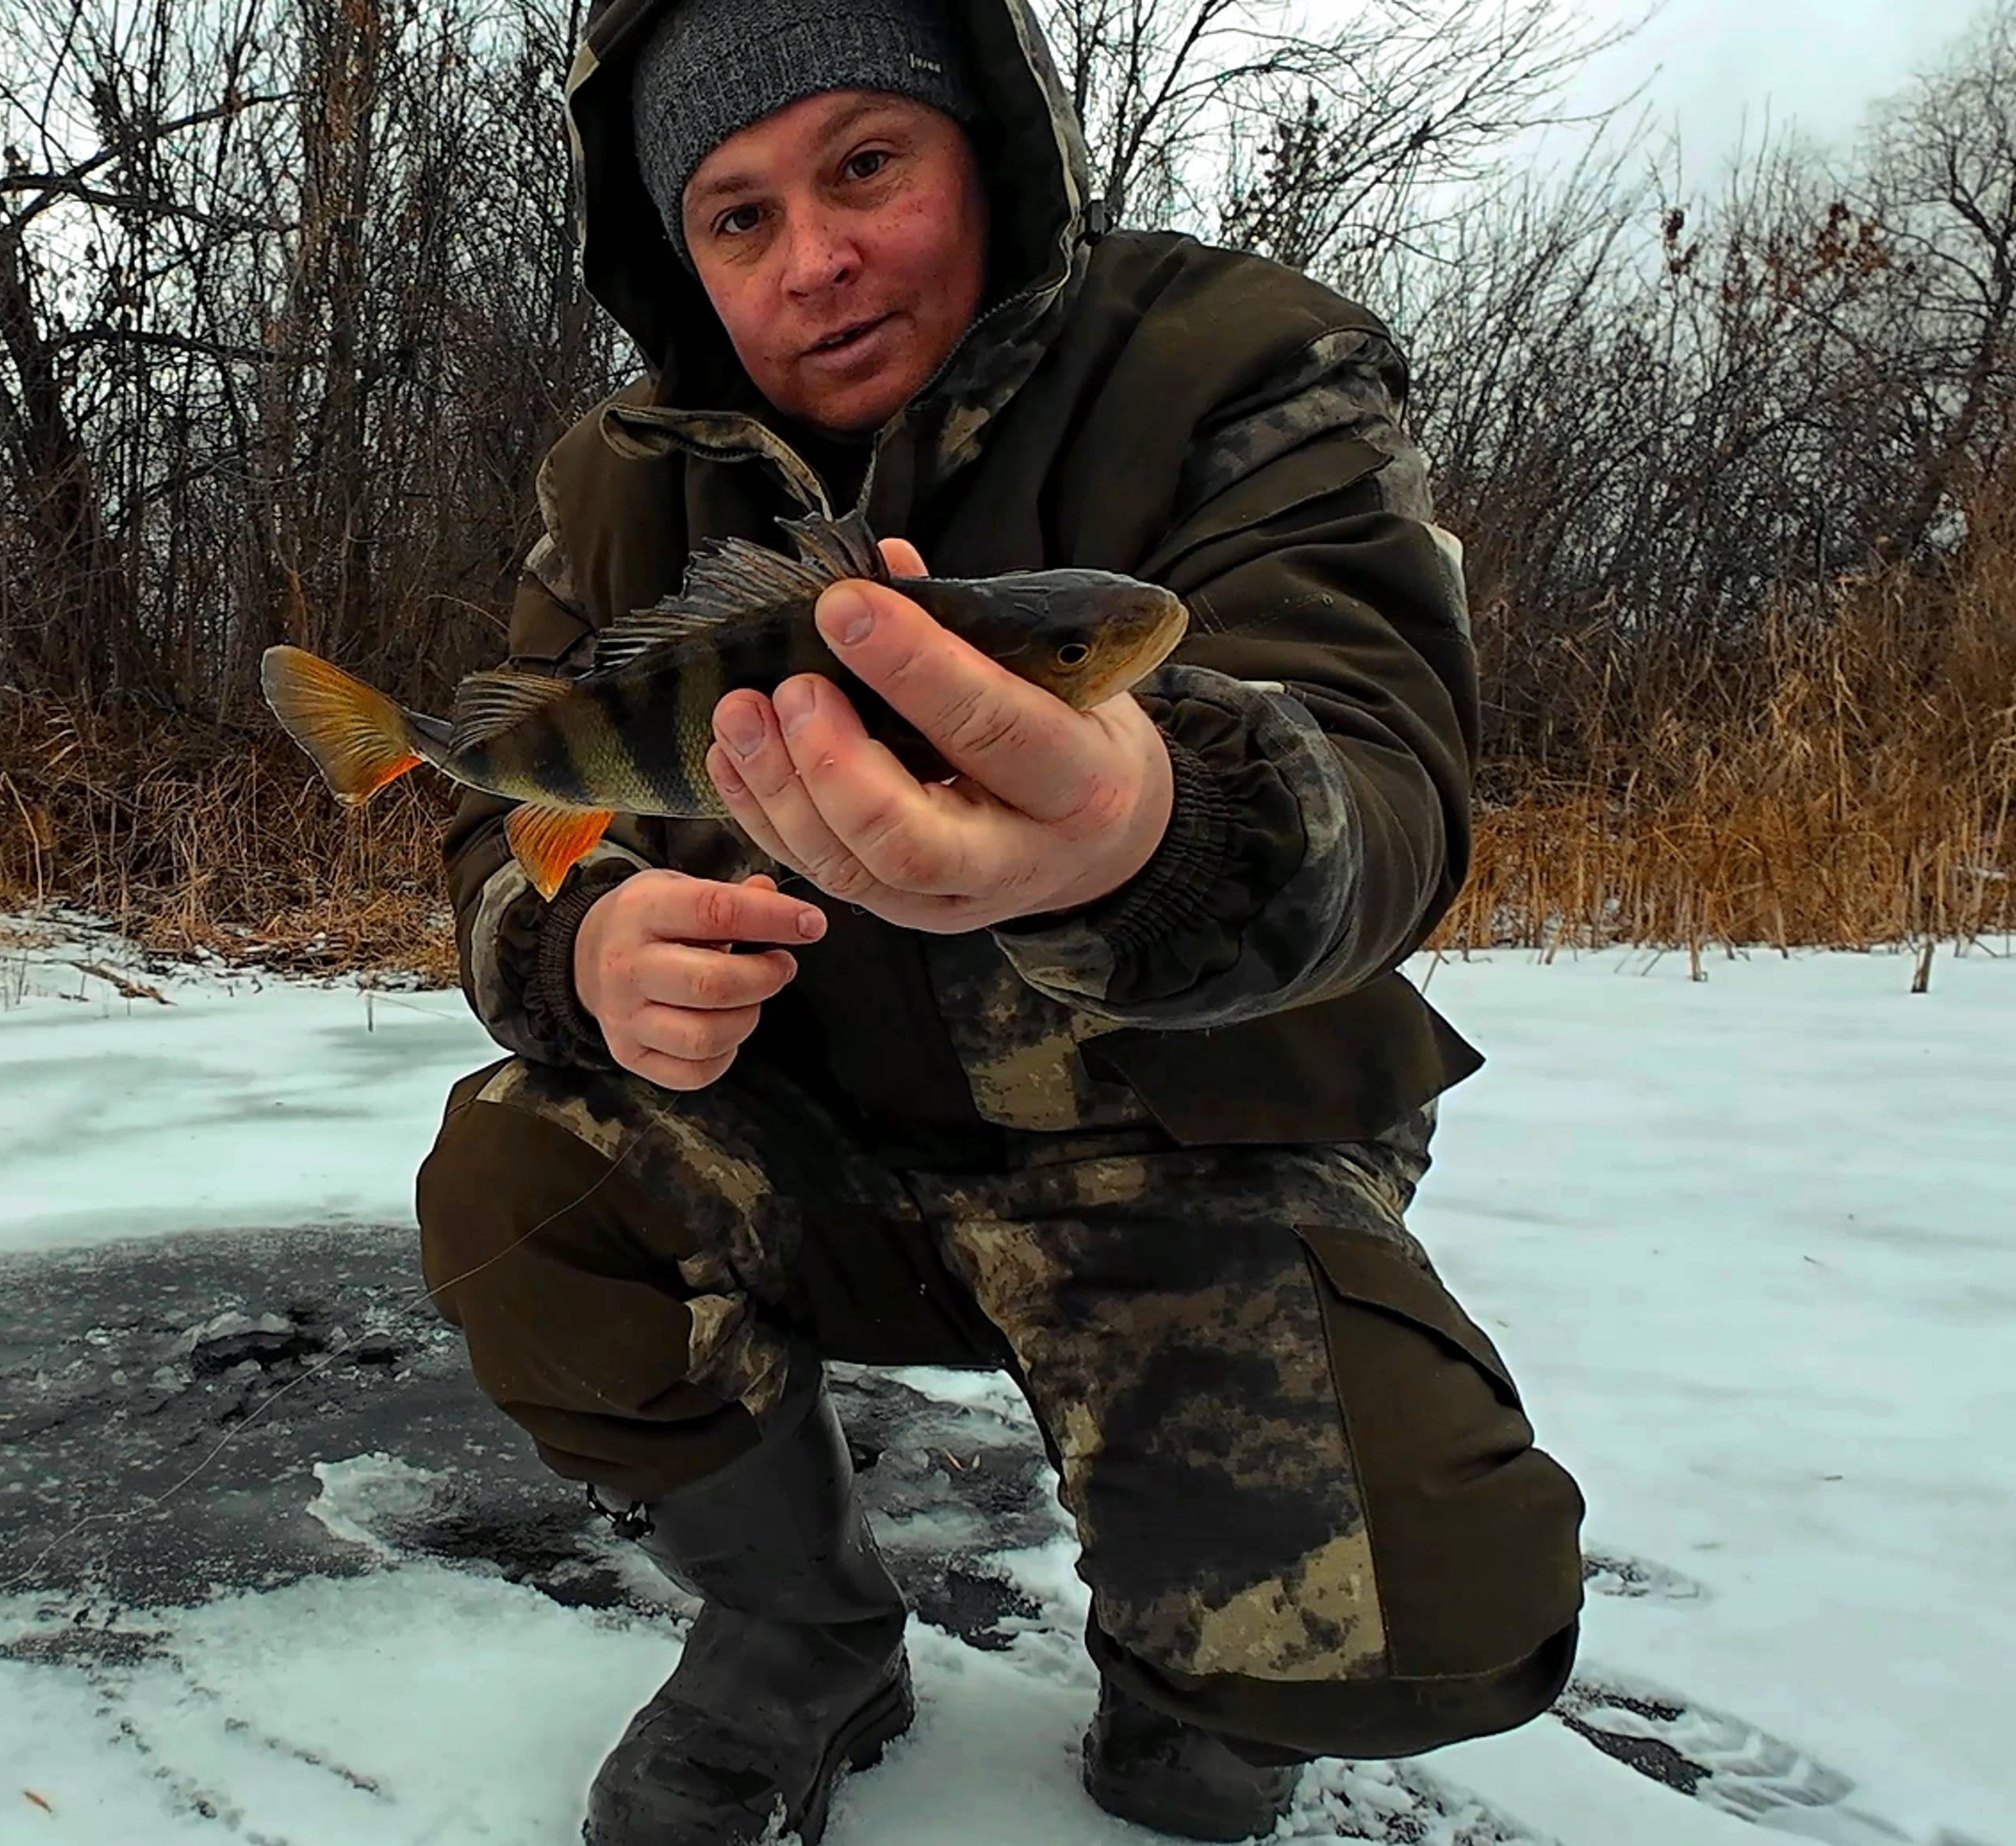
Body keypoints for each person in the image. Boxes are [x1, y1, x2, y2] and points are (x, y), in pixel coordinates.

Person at [412, 2, 1586, 1840]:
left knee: (1418, 1614)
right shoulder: (615, 482)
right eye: (737, 215)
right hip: (811, 1147)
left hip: (1190, 1158)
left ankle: (1196, 1669)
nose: (814, 257)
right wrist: (577, 949)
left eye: (866, 163)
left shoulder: (1244, 367)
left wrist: (1155, 832)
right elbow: (509, 813)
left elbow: (1386, 765)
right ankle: (797, 1630)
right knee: (516, 1182)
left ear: (984, 140)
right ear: (678, 252)